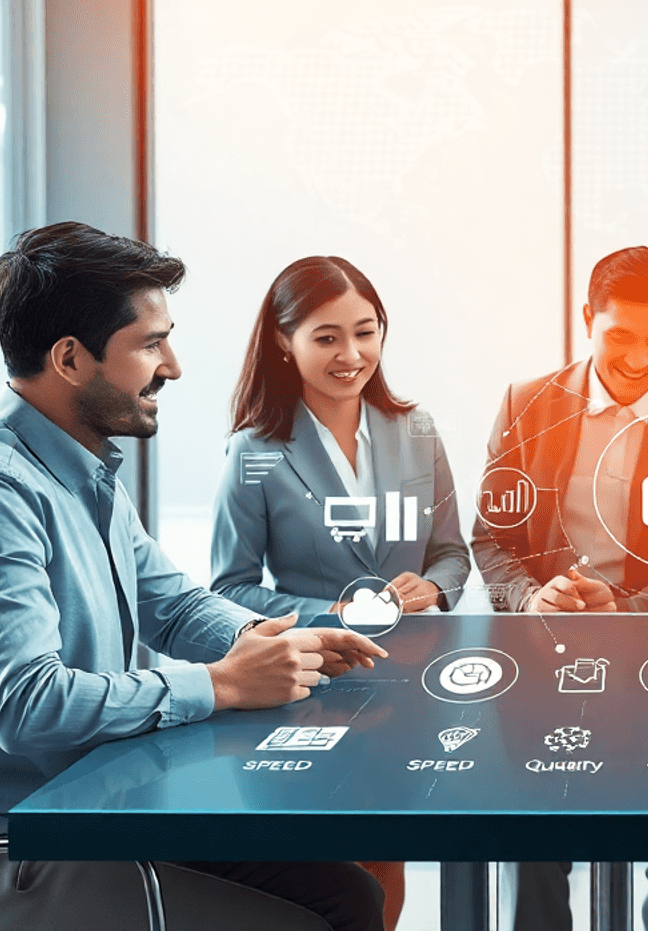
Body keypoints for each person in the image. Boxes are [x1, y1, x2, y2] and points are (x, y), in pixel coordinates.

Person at [0, 222, 389, 931]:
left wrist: (270, 639)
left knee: (345, 893)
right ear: (69, 359)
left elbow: (175, 606)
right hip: (13, 853)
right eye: (150, 343)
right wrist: (222, 684)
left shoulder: (80, 471)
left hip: (97, 810)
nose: (173, 366)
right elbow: (28, 705)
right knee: (304, 919)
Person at [471, 246, 648, 931]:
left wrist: (621, 610)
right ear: (587, 318)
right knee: (533, 845)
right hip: (539, 656)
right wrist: (530, 600)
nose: (638, 358)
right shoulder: (527, 403)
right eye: (619, 335)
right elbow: (492, 539)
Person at [211, 255, 472, 927]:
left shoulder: (416, 431)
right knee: (326, 865)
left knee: (387, 859)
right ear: (283, 340)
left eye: (366, 331)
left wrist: (434, 591)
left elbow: (451, 555)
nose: (351, 354)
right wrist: (325, 613)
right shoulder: (256, 451)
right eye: (326, 337)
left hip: (406, 684)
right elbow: (230, 588)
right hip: (308, 686)